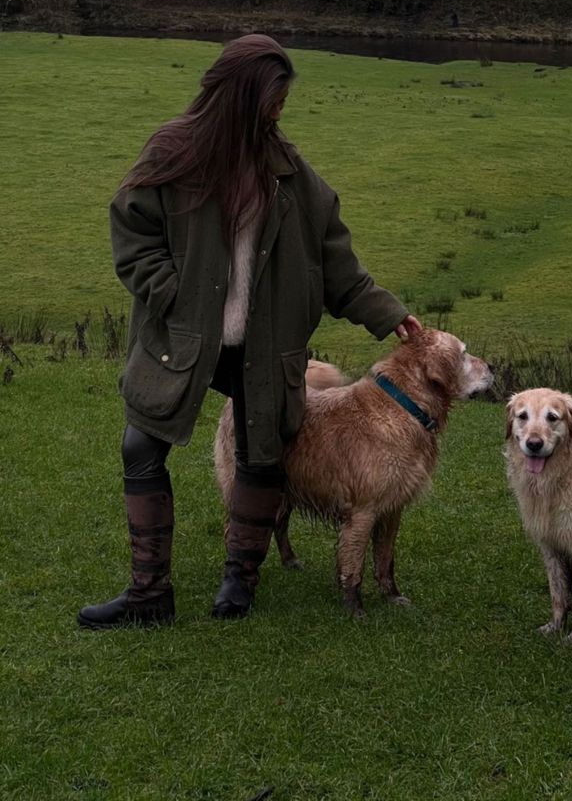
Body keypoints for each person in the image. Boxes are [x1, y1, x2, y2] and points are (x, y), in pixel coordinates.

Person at [78, 34, 421, 629]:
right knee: (140, 446)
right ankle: (148, 595)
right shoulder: (172, 154)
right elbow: (133, 240)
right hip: (183, 339)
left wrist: (388, 314)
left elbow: (335, 260)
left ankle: (240, 582)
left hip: (263, 344)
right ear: (240, 96)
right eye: (273, 101)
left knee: (262, 449)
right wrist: (174, 296)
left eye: (283, 102)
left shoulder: (288, 172)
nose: (279, 113)